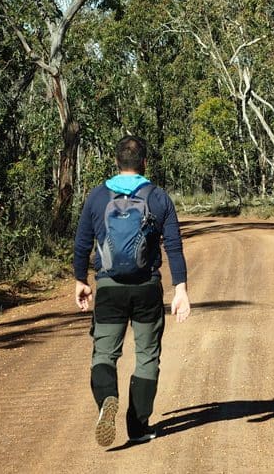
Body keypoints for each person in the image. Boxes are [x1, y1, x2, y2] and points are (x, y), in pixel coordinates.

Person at [73, 135, 191, 447]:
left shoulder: (98, 196)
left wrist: (81, 280)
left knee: (104, 353)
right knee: (147, 355)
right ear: (144, 163)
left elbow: (83, 242)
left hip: (109, 287)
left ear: (116, 161)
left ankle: (107, 399)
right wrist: (181, 289)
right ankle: (138, 427)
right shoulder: (157, 196)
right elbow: (174, 246)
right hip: (147, 288)